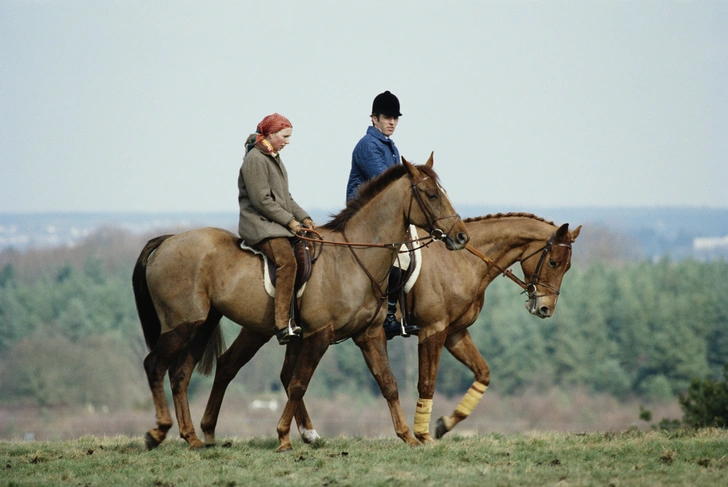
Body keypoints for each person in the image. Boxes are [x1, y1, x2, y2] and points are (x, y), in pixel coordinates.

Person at [237, 113, 315, 345]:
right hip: (259, 224)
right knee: (287, 262)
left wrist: (305, 218)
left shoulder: (274, 157)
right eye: (285, 136)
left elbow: (285, 198)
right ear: (271, 134)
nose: (288, 141)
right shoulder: (255, 159)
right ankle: (282, 324)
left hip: (275, 222)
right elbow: (262, 201)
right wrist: (291, 222)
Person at [346, 91, 418, 339]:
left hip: (383, 219)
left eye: (395, 118)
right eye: (387, 117)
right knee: (401, 260)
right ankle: (388, 317)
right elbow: (388, 186)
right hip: (364, 220)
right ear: (373, 118)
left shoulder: (390, 146)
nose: (392, 122)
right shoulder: (368, 146)